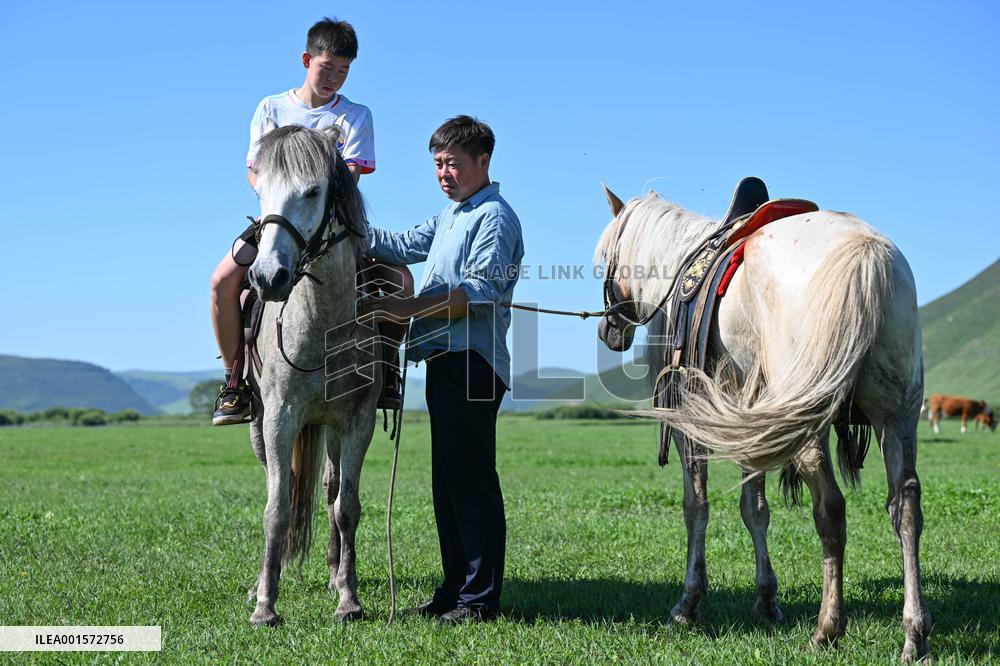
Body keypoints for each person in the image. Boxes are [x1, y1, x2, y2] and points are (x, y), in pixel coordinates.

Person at [359, 115, 524, 623]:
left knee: (470, 481)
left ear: (483, 161)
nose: (444, 173)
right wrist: (343, 221)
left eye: (453, 163)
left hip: (474, 364)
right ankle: (454, 590)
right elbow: (395, 244)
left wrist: (405, 311)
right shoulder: (451, 215)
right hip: (444, 361)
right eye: (437, 164)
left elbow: (480, 291)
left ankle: (479, 601)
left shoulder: (494, 217)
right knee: (448, 483)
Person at [209, 17, 411, 425]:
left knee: (401, 281)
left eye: (343, 70)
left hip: (335, 224)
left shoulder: (355, 116)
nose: (334, 77)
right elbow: (254, 170)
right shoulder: (272, 108)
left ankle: (385, 373)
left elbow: (351, 174)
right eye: (327, 66)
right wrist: (275, 196)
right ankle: (234, 383)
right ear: (306, 59)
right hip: (278, 220)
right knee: (221, 282)